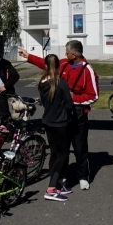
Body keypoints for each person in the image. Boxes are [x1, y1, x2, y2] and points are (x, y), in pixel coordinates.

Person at [19, 40, 98, 191]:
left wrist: (72, 99)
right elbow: (47, 64)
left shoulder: (88, 70)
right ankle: (63, 176)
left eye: (67, 52)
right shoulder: (64, 64)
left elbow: (93, 96)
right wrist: (28, 56)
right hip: (62, 117)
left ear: (74, 55)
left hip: (79, 116)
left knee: (80, 148)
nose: (65, 55)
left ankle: (83, 176)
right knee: (63, 149)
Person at [38, 54, 75, 202]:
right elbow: (69, 105)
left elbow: (44, 102)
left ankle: (57, 182)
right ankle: (51, 188)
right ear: (59, 66)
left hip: (47, 121)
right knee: (63, 155)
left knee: (54, 154)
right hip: (60, 123)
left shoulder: (42, 82)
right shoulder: (62, 83)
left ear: (46, 66)